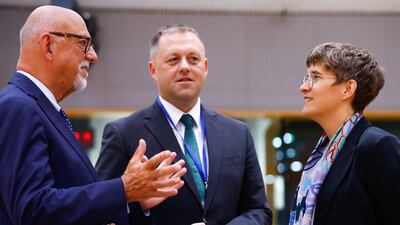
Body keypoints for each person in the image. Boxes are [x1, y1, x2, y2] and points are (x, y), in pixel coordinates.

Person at [0, 6, 186, 225]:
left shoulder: (42, 109)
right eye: (83, 43)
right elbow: (33, 209)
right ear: (48, 45)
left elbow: (69, 206)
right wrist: (123, 189)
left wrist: (135, 200)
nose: (93, 55)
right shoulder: (18, 106)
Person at [95, 24, 272, 225]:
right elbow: (100, 213)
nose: (185, 66)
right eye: (173, 59)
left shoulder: (238, 133)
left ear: (205, 67)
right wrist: (139, 205)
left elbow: (258, 211)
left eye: (193, 59)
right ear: (153, 69)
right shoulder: (124, 134)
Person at [289, 42, 400, 225]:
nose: (303, 87)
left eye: (315, 77)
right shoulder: (322, 153)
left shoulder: (378, 146)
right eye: (306, 77)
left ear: (348, 89)